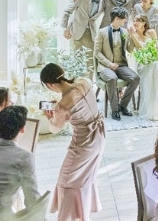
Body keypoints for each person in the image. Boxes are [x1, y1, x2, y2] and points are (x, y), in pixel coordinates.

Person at [40, 63, 105, 221]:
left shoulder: (62, 106)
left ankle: (69, 217)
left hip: (82, 144)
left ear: (49, 84)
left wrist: (50, 117)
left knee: (66, 180)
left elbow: (55, 128)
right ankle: (83, 213)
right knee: (85, 178)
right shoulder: (84, 82)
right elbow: (77, 100)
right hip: (99, 138)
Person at [94, 7, 140, 121]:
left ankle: (122, 105)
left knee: (135, 78)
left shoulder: (125, 32)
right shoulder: (102, 32)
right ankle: (114, 110)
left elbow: (130, 50)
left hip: (121, 65)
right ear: (117, 18)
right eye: (124, 18)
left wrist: (132, 36)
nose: (126, 21)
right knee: (112, 78)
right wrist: (109, 64)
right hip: (105, 66)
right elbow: (97, 52)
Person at [62, 0, 107, 78]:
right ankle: (75, 83)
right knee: (76, 59)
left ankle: (88, 84)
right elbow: (67, 11)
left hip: (91, 33)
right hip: (77, 31)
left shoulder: (104, 2)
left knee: (90, 62)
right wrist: (65, 29)